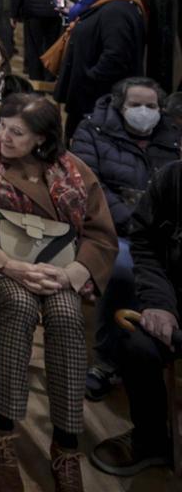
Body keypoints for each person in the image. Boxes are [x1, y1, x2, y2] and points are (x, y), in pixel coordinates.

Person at [0, 94, 117, 491]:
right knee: (21, 305)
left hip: (58, 270)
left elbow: (100, 233)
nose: (3, 137)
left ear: (42, 138)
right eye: (2, 126)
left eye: (16, 132)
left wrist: (70, 275)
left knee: (65, 314)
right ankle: (2, 429)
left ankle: (66, 442)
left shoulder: (73, 171)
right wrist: (9, 265)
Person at [69, 77, 180, 403]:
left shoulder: (172, 137)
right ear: (120, 106)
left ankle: (156, 346)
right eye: (136, 105)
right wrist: (133, 220)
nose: (144, 112)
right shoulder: (93, 131)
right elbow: (90, 186)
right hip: (107, 228)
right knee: (124, 272)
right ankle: (106, 361)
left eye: (152, 106)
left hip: (160, 230)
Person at [88, 160, 182, 477]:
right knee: (137, 343)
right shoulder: (172, 177)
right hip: (173, 299)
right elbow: (146, 241)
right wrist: (160, 304)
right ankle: (151, 439)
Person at [55, 0, 147, 138]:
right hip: (92, 94)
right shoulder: (111, 2)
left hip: (97, 96)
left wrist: (90, 78)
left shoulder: (117, 8)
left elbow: (116, 55)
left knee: (86, 141)